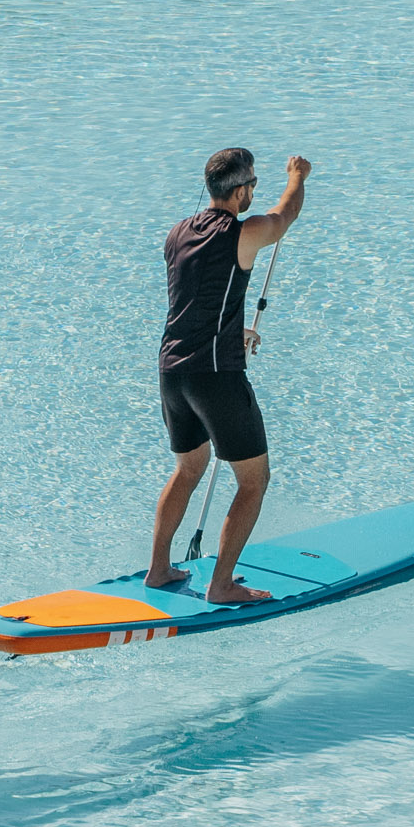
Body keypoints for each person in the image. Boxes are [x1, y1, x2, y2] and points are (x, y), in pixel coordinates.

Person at [146, 146, 309, 604]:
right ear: (241, 191)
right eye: (253, 185)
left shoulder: (176, 234)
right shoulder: (245, 232)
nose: (255, 192)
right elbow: (285, 215)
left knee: (188, 469)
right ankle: (222, 585)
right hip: (216, 378)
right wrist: (297, 177)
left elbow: (197, 296)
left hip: (173, 373)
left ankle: (159, 570)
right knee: (254, 481)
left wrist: (232, 331)